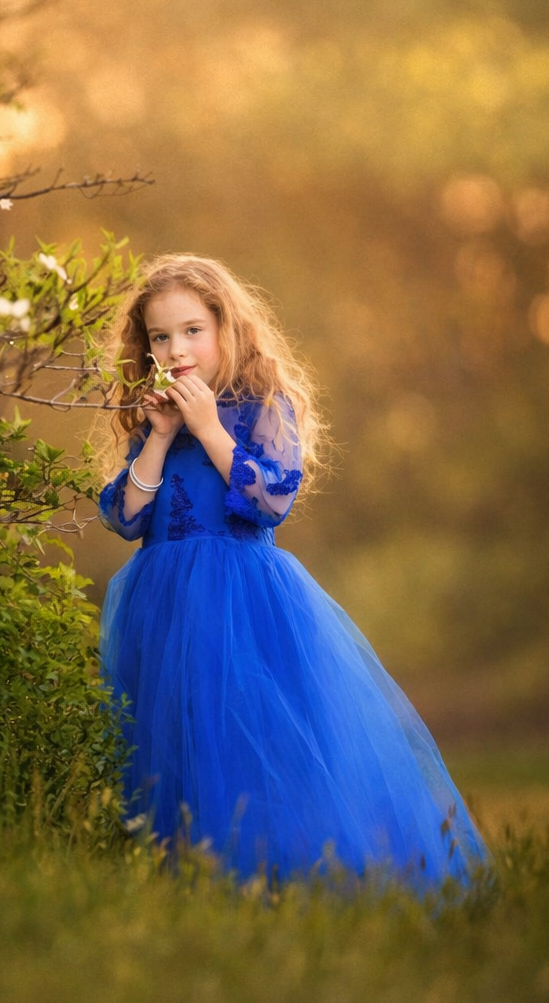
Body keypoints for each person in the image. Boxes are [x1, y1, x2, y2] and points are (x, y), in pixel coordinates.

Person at [98, 253, 489, 889]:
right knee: (173, 737)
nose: (175, 349)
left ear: (227, 328)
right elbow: (126, 515)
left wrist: (208, 426)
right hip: (162, 601)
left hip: (241, 600)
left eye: (193, 330)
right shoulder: (155, 419)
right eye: (160, 337)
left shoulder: (261, 406)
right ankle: (182, 873)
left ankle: (278, 871)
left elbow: (269, 497)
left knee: (248, 733)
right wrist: (164, 436)